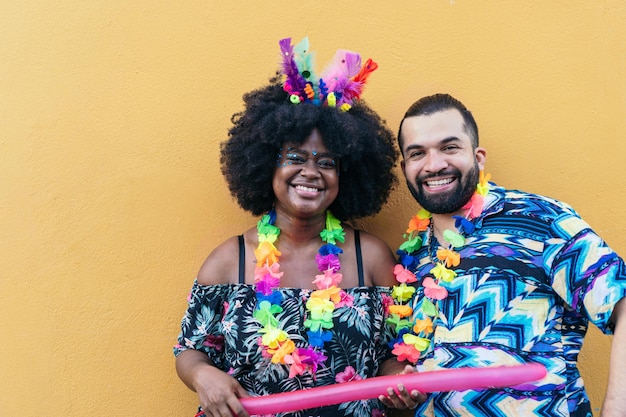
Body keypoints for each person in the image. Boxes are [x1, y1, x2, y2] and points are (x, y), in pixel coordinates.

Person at [173, 37, 422, 417]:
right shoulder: (229, 260)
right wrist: (203, 374)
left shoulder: (370, 257)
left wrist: (399, 382)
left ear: (345, 175)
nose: (310, 172)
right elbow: (189, 349)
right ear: (265, 165)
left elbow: (391, 353)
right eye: (295, 157)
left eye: (327, 162)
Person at [387, 93, 626, 416]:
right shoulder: (411, 257)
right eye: (418, 153)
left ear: (479, 156)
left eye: (449, 147)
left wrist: (615, 409)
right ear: (405, 168)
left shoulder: (540, 220)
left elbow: (622, 301)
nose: (434, 164)